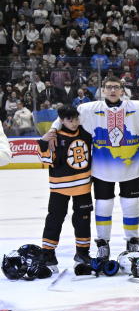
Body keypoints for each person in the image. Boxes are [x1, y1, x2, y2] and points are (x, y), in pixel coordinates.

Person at [52, 75, 139, 260]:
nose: (112, 90)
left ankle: (132, 242)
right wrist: (52, 130)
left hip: (131, 168)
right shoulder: (88, 109)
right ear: (103, 90)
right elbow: (64, 117)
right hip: (102, 169)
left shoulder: (138, 107)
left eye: (116, 87)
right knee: (103, 206)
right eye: (109, 87)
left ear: (122, 90)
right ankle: (103, 244)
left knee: (131, 205)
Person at [37, 106, 93, 268]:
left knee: (82, 220)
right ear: (61, 120)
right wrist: (43, 141)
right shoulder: (54, 137)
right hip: (59, 187)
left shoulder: (85, 132)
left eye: (76, 119)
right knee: (54, 220)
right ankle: (48, 253)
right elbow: (46, 161)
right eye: (70, 120)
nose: (74, 123)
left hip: (83, 186)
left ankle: (82, 253)